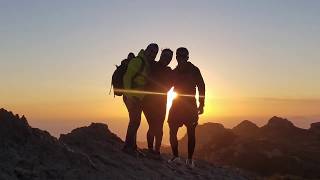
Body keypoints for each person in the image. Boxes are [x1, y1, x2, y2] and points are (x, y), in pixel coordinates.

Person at [167, 47, 205, 168]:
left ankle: (187, 159)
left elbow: (201, 86)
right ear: (177, 57)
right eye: (179, 56)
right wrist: (201, 104)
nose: (181, 58)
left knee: (190, 132)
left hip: (185, 105)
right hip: (184, 104)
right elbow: (201, 86)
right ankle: (178, 157)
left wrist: (202, 103)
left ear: (186, 57)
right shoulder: (186, 70)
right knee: (174, 130)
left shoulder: (189, 70)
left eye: (183, 56)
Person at [122, 43, 159, 155]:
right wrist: (129, 96)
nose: (153, 54)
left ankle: (132, 147)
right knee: (135, 121)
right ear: (146, 50)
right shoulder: (138, 61)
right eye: (151, 51)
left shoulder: (146, 63)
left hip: (138, 98)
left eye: (155, 53)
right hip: (132, 97)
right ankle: (128, 147)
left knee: (136, 121)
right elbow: (127, 77)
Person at [143, 49, 173, 158]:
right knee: (153, 127)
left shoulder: (167, 70)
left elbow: (170, 86)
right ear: (161, 56)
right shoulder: (153, 65)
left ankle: (156, 151)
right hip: (151, 102)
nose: (167, 59)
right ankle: (152, 150)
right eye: (165, 56)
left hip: (157, 102)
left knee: (158, 127)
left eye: (169, 57)